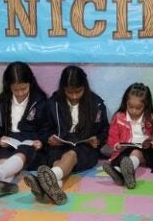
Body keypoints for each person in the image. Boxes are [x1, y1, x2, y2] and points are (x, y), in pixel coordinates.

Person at [23, 65, 108, 205]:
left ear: (85, 87)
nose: (74, 96)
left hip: (84, 147)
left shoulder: (96, 103)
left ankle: (43, 181)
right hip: (59, 145)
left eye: (78, 91)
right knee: (58, 161)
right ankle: (54, 185)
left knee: (71, 155)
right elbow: (44, 127)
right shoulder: (54, 102)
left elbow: (104, 129)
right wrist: (48, 138)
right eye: (69, 92)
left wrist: (98, 139)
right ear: (63, 89)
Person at [0, 62, 49, 196]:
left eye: (24, 88)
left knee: (25, 149)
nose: (20, 93)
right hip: (9, 138)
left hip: (30, 140)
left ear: (30, 83)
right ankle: (5, 182)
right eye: (16, 90)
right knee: (2, 151)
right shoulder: (2, 101)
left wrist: (41, 141)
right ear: (8, 86)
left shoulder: (40, 101)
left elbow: (46, 126)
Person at [102, 82, 153, 189]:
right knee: (124, 155)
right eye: (130, 106)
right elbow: (112, 137)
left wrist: (151, 143)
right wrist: (116, 145)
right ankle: (120, 173)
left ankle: (124, 169)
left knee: (136, 152)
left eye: (138, 108)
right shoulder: (119, 117)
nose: (133, 111)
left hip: (146, 151)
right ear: (125, 103)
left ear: (146, 106)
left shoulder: (151, 119)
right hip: (125, 149)